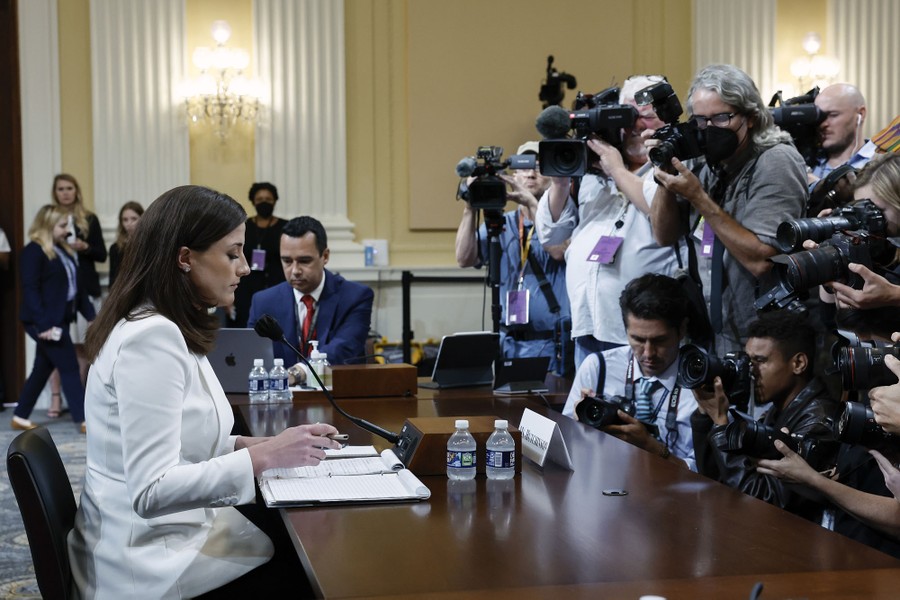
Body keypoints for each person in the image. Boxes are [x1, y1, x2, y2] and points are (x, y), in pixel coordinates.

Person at [68, 185, 343, 598]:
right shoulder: (152, 337)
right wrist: (260, 456)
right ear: (185, 258)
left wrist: (266, 444)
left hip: (162, 538)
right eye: (232, 253)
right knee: (318, 570)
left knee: (301, 541)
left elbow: (186, 439)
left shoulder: (163, 324)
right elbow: (151, 489)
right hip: (148, 564)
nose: (245, 268)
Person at [650, 64, 808, 354]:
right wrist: (664, 174)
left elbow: (763, 261)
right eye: (700, 120)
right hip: (715, 331)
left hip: (764, 338)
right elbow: (663, 235)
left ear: (749, 117)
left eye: (721, 118)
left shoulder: (775, 161)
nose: (709, 130)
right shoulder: (705, 161)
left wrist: (698, 197)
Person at [535, 75, 683, 367]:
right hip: (589, 323)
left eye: (645, 117)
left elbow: (658, 211)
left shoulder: (673, 165)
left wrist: (616, 169)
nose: (633, 127)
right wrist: (561, 183)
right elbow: (550, 234)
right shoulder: (593, 176)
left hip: (644, 333)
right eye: (627, 116)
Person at [690, 310, 837, 522]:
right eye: (749, 361)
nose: (750, 371)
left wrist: (723, 426)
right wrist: (706, 416)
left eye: (760, 361)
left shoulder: (820, 422)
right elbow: (717, 478)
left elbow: (765, 503)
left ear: (798, 364)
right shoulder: (779, 410)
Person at [455, 141, 571, 375]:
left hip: (553, 342)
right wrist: (470, 206)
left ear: (552, 177)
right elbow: (464, 258)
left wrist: (532, 203)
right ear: (513, 175)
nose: (531, 172)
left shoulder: (565, 219)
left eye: (539, 166)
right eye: (524, 167)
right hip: (509, 343)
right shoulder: (503, 222)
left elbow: (559, 250)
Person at [562, 273, 698, 470]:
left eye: (660, 341)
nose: (648, 353)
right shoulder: (598, 368)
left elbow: (708, 477)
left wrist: (651, 447)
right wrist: (581, 428)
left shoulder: (702, 384)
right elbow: (566, 447)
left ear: (682, 329)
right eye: (638, 340)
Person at [11, 205, 95, 432]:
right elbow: (30, 290)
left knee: (42, 368)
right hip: (44, 321)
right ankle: (84, 419)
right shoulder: (33, 252)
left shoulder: (64, 251)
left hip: (60, 319)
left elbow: (77, 289)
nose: (67, 230)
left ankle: (20, 416)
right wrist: (44, 324)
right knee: (68, 366)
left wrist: (91, 316)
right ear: (47, 225)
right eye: (62, 225)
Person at [248, 215, 374, 365]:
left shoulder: (355, 297)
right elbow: (253, 355)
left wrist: (300, 371)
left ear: (325, 256)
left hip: (337, 387)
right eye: (287, 261)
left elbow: (344, 348)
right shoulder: (263, 302)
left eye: (304, 261)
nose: (295, 270)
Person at [49, 173, 106, 416]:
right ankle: (55, 399)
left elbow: (102, 254)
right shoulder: (48, 218)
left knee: (82, 345)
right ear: (55, 192)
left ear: (76, 191)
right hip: (56, 292)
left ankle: (80, 396)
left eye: (69, 188)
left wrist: (85, 247)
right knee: (55, 345)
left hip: (84, 289)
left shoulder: (89, 219)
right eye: (60, 188)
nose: (65, 192)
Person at [231, 182, 286, 327]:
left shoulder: (285, 228)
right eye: (260, 199)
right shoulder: (243, 227)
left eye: (268, 199)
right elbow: (233, 258)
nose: (264, 202)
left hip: (278, 288)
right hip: (246, 291)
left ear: (275, 201)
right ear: (253, 201)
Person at [810, 83, 874, 181]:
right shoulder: (806, 162)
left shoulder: (882, 162)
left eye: (833, 115)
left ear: (860, 113)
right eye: (819, 117)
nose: (823, 124)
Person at [107, 200, 144, 290]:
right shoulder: (116, 248)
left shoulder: (150, 244)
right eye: (125, 220)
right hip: (123, 293)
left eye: (134, 219)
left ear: (142, 219)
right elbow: (113, 279)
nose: (129, 223)